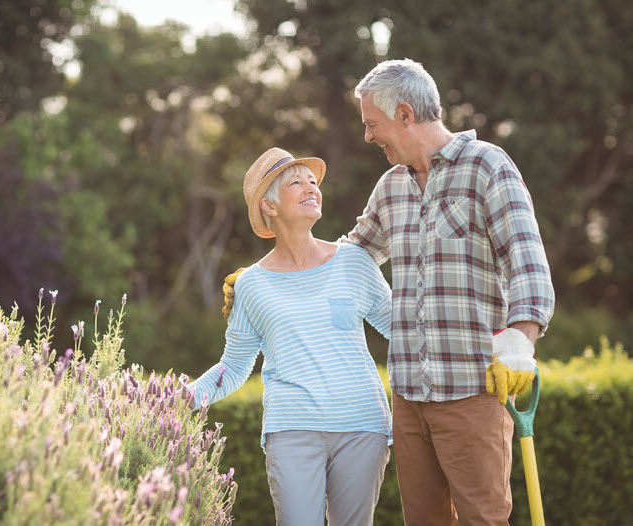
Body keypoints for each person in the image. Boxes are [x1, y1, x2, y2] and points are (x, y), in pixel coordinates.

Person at [223, 59, 555, 525]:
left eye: (371, 123)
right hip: (409, 398)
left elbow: (528, 264)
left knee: (483, 519)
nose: (367, 136)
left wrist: (521, 336)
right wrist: (266, 275)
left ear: (403, 114)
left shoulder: (487, 167)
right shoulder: (391, 187)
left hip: (469, 391)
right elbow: (347, 255)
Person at [186, 147, 394, 526]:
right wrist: (180, 399)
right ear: (269, 205)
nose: (311, 187)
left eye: (313, 181)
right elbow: (234, 367)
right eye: (296, 182)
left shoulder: (354, 261)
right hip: (291, 430)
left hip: (362, 426)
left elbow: (404, 330)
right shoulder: (250, 284)